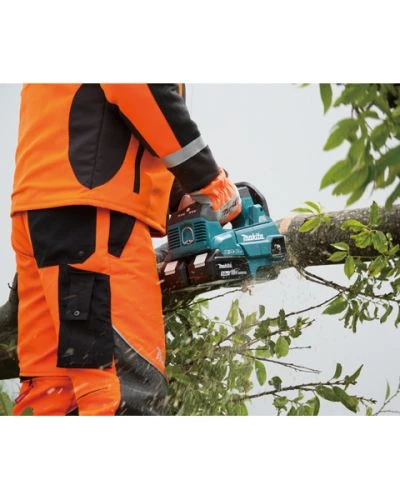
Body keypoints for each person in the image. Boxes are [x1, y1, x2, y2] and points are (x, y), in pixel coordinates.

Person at [10, 83, 242, 415]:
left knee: (55, 395)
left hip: (44, 216)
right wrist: (211, 184)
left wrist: (180, 194)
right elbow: (140, 87)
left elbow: (99, 119)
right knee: (125, 394)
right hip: (96, 221)